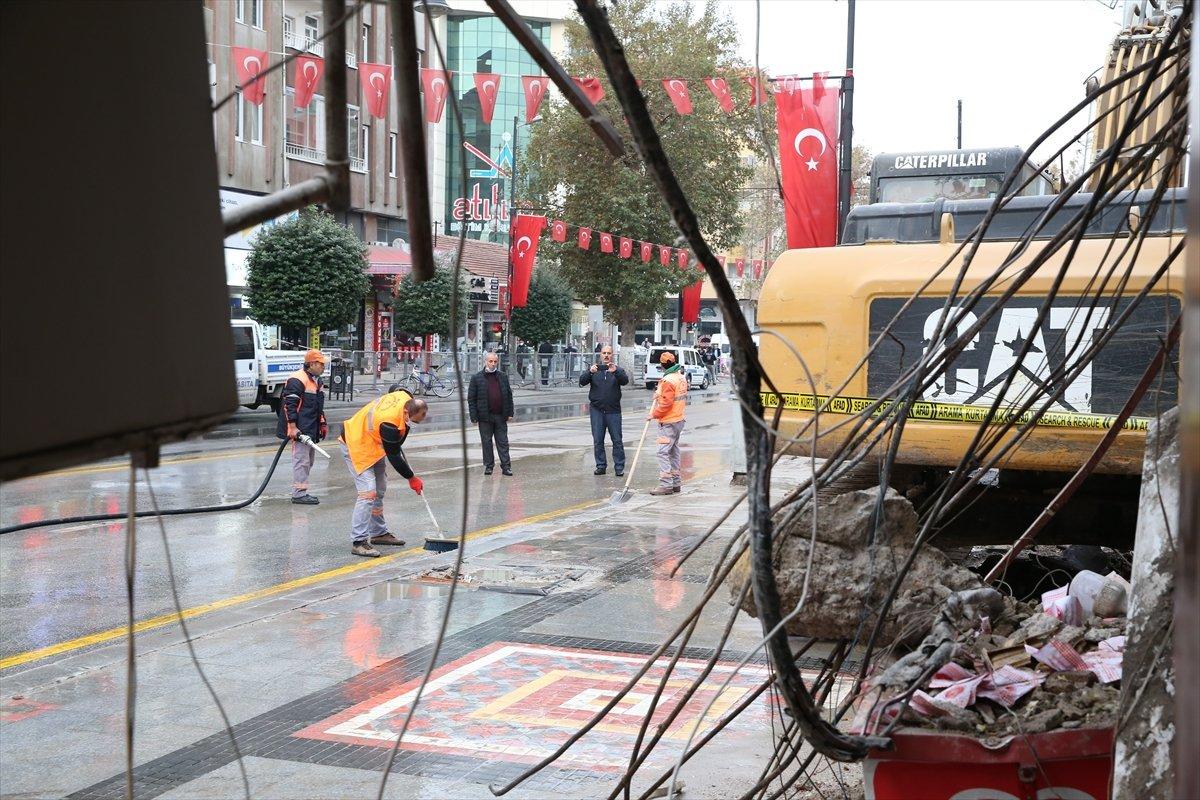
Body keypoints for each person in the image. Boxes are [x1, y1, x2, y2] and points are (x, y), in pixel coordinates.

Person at [339, 387, 428, 558]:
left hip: (372, 441)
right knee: (368, 492)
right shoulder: (388, 423)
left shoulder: (405, 396)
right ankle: (359, 542)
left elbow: (395, 389)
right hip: (356, 442)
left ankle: (379, 533)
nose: (412, 424)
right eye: (413, 421)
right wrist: (411, 478)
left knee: (379, 488)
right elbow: (393, 454)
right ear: (406, 412)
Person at [277, 349, 328, 504]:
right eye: (321, 364)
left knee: (308, 461)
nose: (323, 367)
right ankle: (299, 494)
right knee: (302, 461)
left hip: (310, 427)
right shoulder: (297, 379)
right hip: (299, 428)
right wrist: (292, 428)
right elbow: (289, 405)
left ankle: (301, 490)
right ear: (311, 364)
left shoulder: (316, 381)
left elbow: (316, 406)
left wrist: (322, 422)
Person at [580, 344, 628, 475]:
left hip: (613, 411)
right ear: (600, 355)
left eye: (609, 353)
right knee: (598, 440)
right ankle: (601, 466)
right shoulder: (594, 370)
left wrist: (615, 371)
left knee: (617, 440)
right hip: (597, 411)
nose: (606, 355)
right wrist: (590, 372)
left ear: (612, 355)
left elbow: (625, 381)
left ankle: (619, 467)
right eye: (604, 353)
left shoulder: (617, 370)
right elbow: (582, 381)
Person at [468, 351, 515, 476]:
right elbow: (471, 399)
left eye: (495, 361)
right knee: (486, 442)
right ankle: (489, 466)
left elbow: (509, 395)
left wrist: (510, 412)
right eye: (490, 361)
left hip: (500, 415)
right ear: (485, 362)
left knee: (503, 442)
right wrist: (474, 417)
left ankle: (506, 466)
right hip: (485, 416)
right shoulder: (477, 378)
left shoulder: (502, 376)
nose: (493, 364)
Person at [648, 350, 688, 495]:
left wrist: (654, 414)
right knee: (673, 450)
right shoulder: (680, 377)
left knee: (662, 452)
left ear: (662, 365)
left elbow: (666, 403)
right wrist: (659, 395)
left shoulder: (668, 380)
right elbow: (674, 396)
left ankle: (666, 485)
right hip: (679, 419)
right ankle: (676, 483)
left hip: (668, 421)